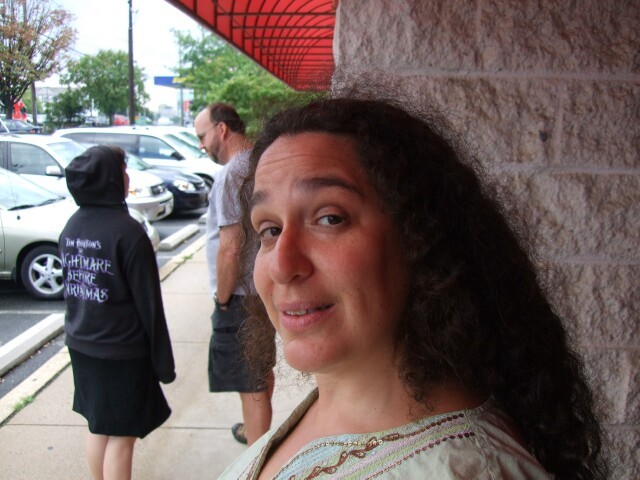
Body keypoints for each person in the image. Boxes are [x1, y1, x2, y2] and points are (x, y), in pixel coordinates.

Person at [219, 94, 608, 479]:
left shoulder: (469, 471)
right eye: (270, 229)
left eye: (330, 218)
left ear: (421, 239)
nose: (282, 265)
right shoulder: (333, 406)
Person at [60, 145, 175, 480]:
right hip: (122, 353)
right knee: (123, 436)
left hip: (82, 347)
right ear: (109, 179)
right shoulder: (128, 233)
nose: (127, 178)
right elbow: (150, 307)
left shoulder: (71, 227)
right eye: (122, 171)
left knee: (99, 426)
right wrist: (163, 365)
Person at [194, 103, 275, 446]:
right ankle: (257, 433)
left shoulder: (232, 173)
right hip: (263, 288)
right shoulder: (262, 160)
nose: (201, 145)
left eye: (202, 136)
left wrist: (222, 299)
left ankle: (256, 457)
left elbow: (230, 246)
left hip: (241, 297)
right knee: (260, 372)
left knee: (249, 383)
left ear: (222, 129)